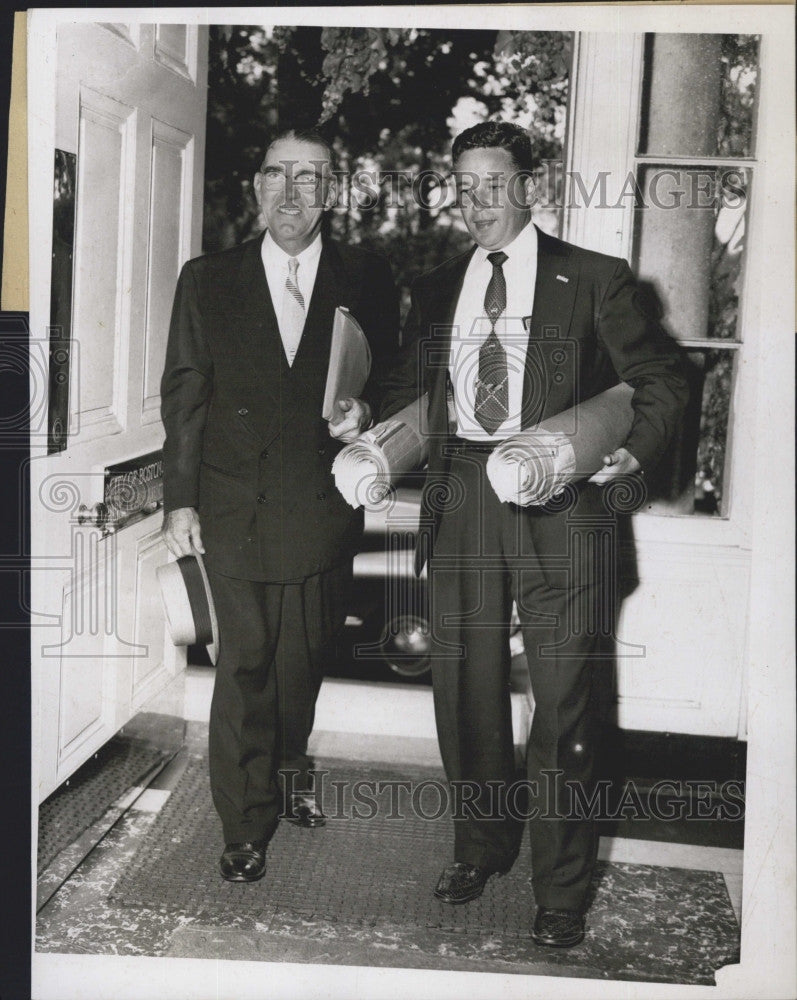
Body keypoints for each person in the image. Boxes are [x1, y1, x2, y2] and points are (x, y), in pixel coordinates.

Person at [378, 121, 688, 947]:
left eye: (492, 184)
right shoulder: (438, 281)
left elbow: (660, 376)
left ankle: (561, 890)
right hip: (464, 499)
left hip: (564, 503)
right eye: (463, 185)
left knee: (566, 707)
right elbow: (414, 389)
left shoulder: (593, 278)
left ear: (527, 185)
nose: (476, 203)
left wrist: (628, 450)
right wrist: (365, 416)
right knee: (467, 695)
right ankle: (479, 846)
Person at [160, 128, 399, 883]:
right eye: (276, 175)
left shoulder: (367, 275)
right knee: (244, 665)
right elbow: (185, 395)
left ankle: (291, 769)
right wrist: (180, 500)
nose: (291, 193)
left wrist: (369, 417)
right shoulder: (207, 278)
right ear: (255, 187)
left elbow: (395, 386)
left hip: (324, 511)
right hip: (234, 506)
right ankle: (244, 820)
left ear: (331, 189)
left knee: (301, 663)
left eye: (310, 176)